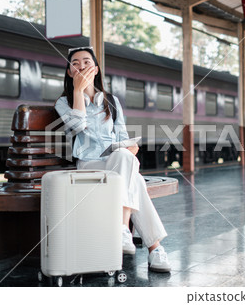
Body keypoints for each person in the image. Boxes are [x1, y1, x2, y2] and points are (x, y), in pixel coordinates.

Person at [54, 46, 171, 273]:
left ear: (96, 69)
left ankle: (125, 231)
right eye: (75, 63)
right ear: (69, 72)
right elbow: (77, 126)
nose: (81, 66)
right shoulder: (63, 102)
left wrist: (130, 146)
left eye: (86, 62)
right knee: (133, 178)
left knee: (125, 158)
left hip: (115, 163)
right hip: (88, 166)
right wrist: (78, 92)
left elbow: (123, 137)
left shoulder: (112, 102)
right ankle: (153, 248)